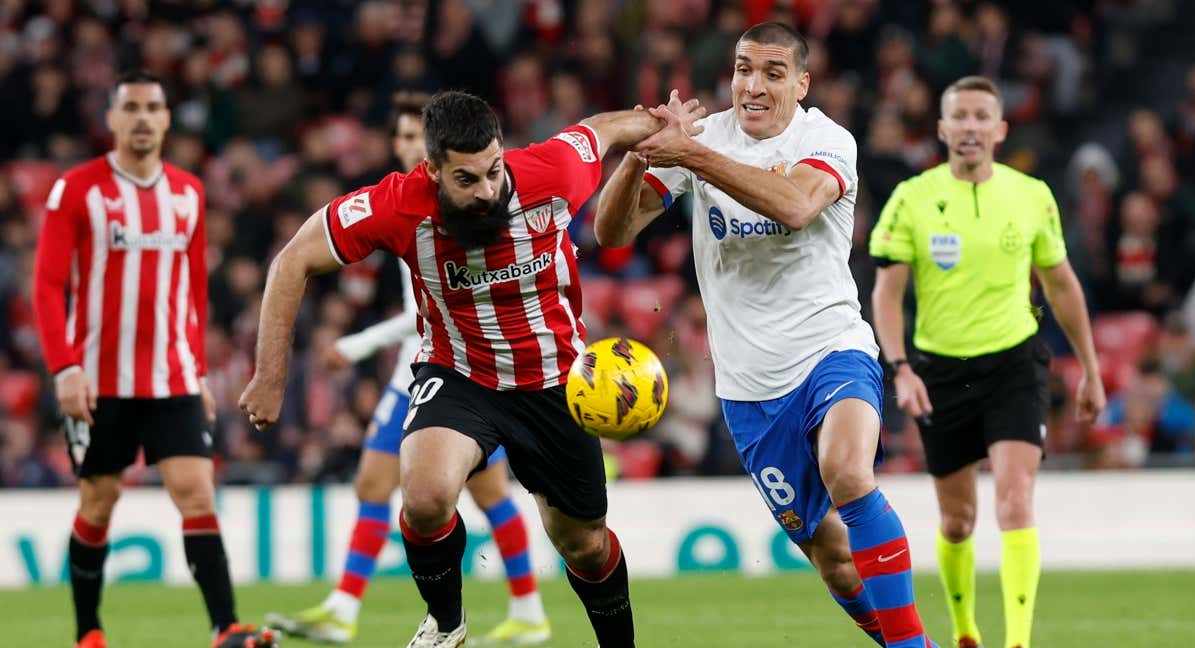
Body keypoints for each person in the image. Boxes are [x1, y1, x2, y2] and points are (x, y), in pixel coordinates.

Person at [240, 90, 702, 647]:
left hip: (557, 382)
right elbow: (293, 259)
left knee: (584, 545)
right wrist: (270, 377)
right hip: (460, 374)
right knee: (427, 492)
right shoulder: (398, 206)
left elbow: (603, 129)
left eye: (492, 171)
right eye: (466, 180)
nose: (486, 191)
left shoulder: (552, 170)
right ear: (431, 170)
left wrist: (661, 124)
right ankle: (447, 623)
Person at [594, 22, 937, 648]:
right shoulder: (706, 137)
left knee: (848, 472)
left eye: (772, 73)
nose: (752, 85)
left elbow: (795, 206)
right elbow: (612, 233)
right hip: (748, 387)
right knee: (833, 558)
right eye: (743, 68)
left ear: (801, 84)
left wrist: (689, 154)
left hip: (830, 348)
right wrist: (643, 154)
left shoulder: (827, 140)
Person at [266, 96, 551, 646]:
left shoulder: (462, 210)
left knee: (489, 494)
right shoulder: (399, 208)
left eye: (410, 137)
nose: (403, 146)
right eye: (397, 137)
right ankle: (344, 607)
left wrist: (354, 346)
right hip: (417, 369)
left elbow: (432, 312)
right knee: (375, 481)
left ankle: (529, 610)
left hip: (462, 368)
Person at [32, 70, 276, 648]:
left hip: (171, 379)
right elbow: (45, 286)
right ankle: (88, 631)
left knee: (196, 491)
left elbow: (192, 292)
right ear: (112, 119)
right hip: (98, 381)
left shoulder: (188, 192)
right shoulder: (78, 190)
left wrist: (196, 373)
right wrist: (64, 368)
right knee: (99, 500)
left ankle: (227, 628)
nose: (143, 118)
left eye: (154, 108)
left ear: (167, 119)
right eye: (132, 107)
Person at [869, 75, 1106, 648]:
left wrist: (1092, 370)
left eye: (982, 117)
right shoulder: (913, 197)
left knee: (1015, 498)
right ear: (943, 128)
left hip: (1014, 363)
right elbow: (886, 292)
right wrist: (901, 368)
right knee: (957, 521)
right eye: (961, 116)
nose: (970, 127)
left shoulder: (1031, 196)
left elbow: (1063, 286)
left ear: (999, 130)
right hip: (939, 371)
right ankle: (965, 631)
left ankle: (1018, 640)